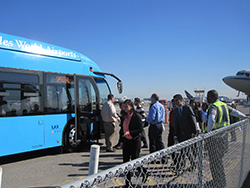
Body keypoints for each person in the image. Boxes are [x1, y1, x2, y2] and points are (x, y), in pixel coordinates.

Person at [206, 89, 248, 187]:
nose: (207, 99)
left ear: (212, 97)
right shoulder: (223, 105)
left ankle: (218, 182)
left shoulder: (214, 106)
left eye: (208, 97)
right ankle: (220, 181)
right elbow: (235, 112)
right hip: (224, 137)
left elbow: (212, 119)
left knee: (215, 163)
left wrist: (207, 132)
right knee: (218, 161)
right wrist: (244, 116)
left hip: (215, 138)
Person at [120, 99, 147, 188]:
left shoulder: (136, 116)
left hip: (135, 140)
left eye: (126, 106)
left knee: (135, 159)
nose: (125, 108)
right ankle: (128, 183)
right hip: (126, 141)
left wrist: (130, 133)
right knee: (125, 162)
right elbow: (121, 130)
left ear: (131, 107)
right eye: (124, 106)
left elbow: (140, 130)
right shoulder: (123, 116)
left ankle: (144, 172)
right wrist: (121, 141)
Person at [173, 94, 197, 171]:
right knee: (183, 150)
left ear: (181, 100)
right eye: (174, 101)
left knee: (187, 150)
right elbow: (176, 124)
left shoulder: (187, 108)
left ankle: (192, 164)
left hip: (188, 133)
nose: (175, 102)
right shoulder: (176, 111)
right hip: (181, 134)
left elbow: (193, 120)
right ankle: (183, 165)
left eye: (176, 100)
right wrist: (175, 135)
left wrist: (195, 132)